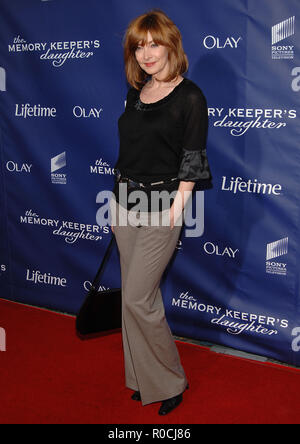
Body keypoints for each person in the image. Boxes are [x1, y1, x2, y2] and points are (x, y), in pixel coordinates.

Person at [109, 9, 213, 415]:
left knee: (138, 298)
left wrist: (176, 210)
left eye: (153, 44)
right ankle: (141, 378)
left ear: (171, 43)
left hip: (161, 206)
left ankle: (170, 380)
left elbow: (192, 158)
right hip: (123, 202)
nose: (146, 54)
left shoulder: (190, 97)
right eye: (138, 47)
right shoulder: (137, 94)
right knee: (134, 299)